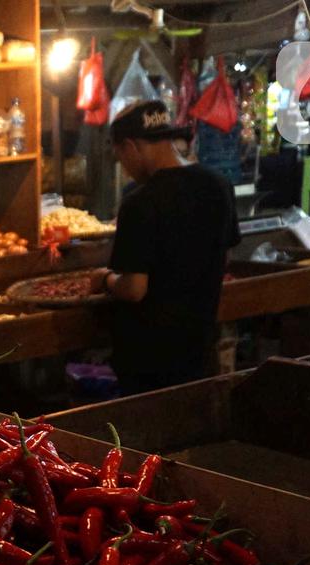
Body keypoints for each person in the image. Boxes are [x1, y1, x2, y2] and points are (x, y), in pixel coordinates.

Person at [95, 101, 240, 395]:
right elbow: (224, 259)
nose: (125, 168)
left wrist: (104, 279)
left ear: (131, 147)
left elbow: (135, 288)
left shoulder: (140, 203)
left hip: (148, 358)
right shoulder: (218, 185)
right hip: (199, 344)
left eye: (120, 157)